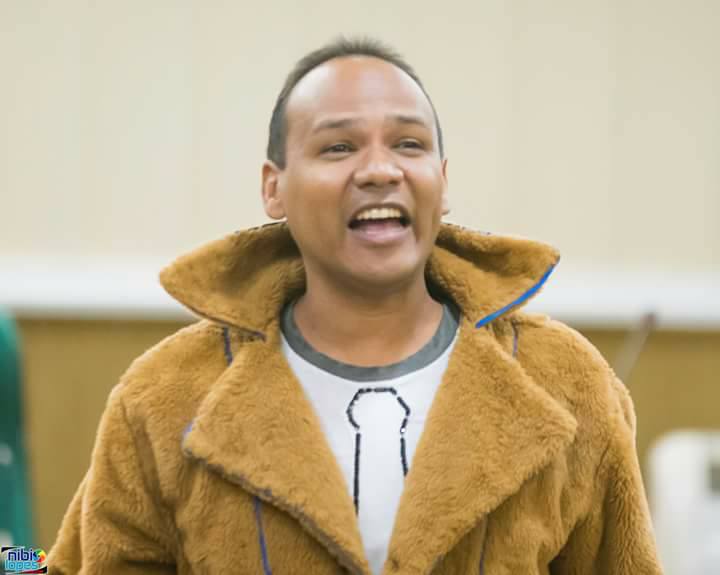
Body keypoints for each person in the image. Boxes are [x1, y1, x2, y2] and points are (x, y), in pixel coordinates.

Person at [48, 37, 663, 574]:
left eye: (409, 144)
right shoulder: (164, 396)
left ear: (442, 181)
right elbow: (64, 565)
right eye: (339, 147)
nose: (379, 170)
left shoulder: (565, 382)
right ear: (273, 187)